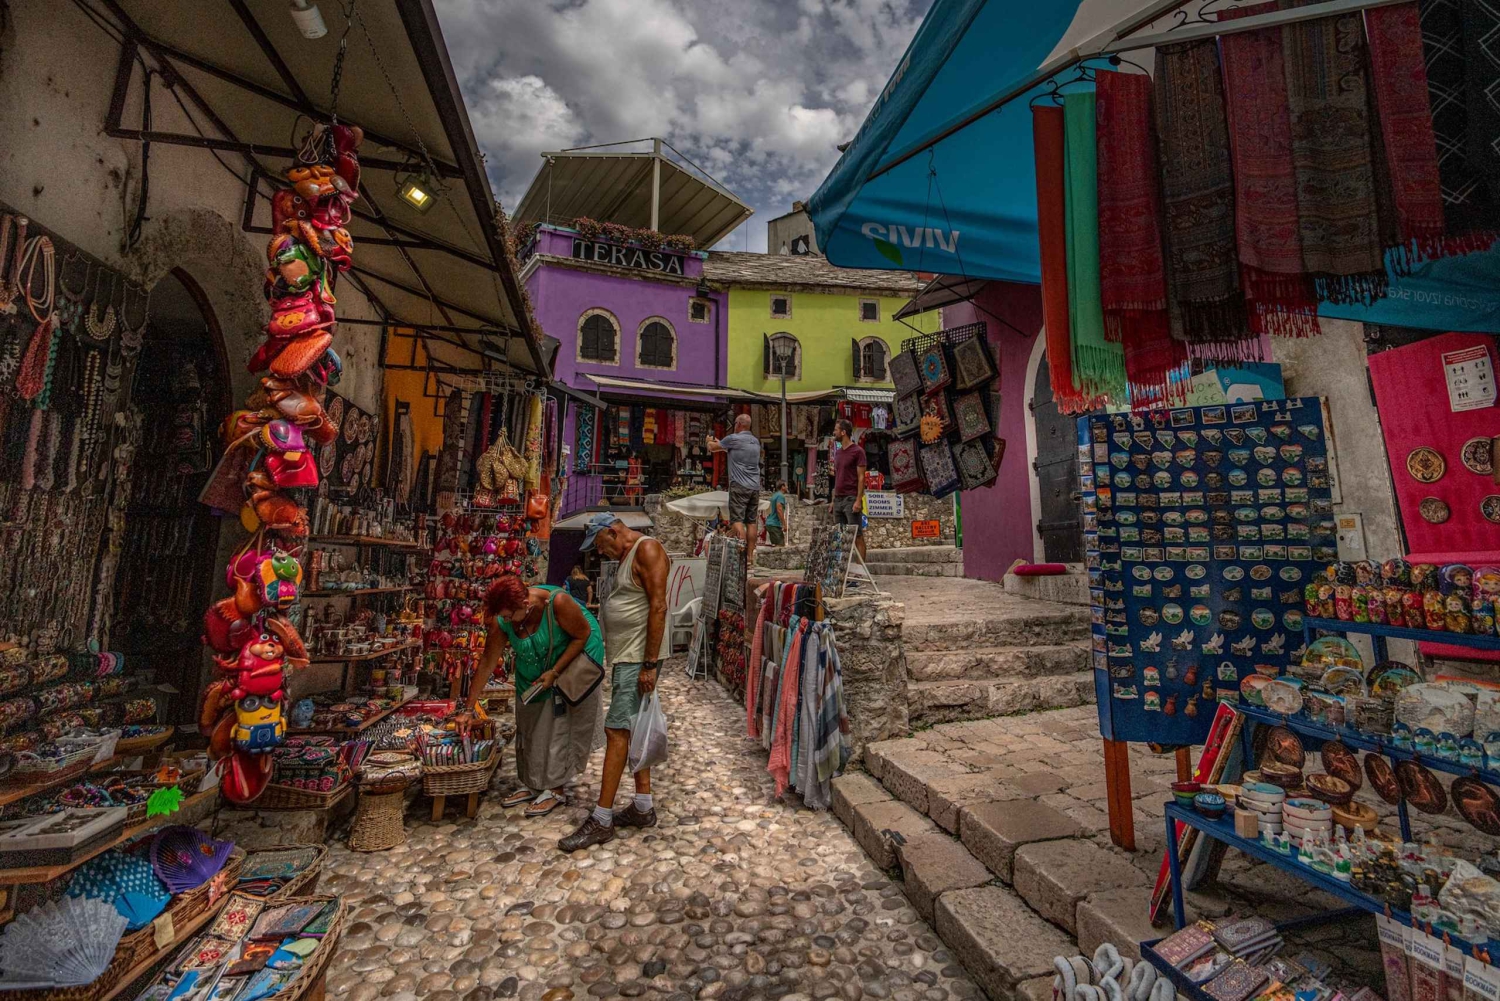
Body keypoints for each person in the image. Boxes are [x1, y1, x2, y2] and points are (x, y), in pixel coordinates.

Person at [559, 513, 670, 851]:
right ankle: (642, 806)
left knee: (617, 730)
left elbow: (658, 606)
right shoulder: (628, 556)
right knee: (633, 727)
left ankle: (602, 818)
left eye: (599, 545)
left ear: (612, 531)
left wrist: (649, 664)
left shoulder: (647, 549)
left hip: (637, 657)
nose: (598, 553)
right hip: (628, 656)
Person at [455, 574, 604, 818]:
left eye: (508, 615)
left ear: (525, 604)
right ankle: (535, 783)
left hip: (569, 663)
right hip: (533, 670)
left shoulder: (557, 603)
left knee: (558, 728)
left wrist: (555, 672)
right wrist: (468, 708)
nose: (505, 621)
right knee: (530, 724)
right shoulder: (504, 621)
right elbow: (487, 663)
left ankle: (555, 788)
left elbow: (582, 635)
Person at [707, 414, 762, 569]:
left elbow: (713, 448)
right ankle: (751, 557)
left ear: (738, 424)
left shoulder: (734, 438)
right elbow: (729, 450)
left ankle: (741, 554)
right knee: (751, 522)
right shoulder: (755, 441)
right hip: (754, 486)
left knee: (737, 520)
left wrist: (708, 441)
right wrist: (722, 445)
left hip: (739, 485)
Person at [830, 418, 867, 560]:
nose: (834, 433)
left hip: (851, 498)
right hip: (839, 499)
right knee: (841, 536)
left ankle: (861, 572)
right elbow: (837, 476)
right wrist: (833, 500)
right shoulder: (838, 453)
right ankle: (844, 571)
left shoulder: (858, 452)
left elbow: (861, 477)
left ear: (843, 432)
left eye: (836, 430)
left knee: (857, 535)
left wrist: (858, 500)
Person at [765, 481, 788, 547]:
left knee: (775, 548)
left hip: (770, 523)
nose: (787, 487)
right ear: (782, 487)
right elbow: (779, 510)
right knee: (780, 547)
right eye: (786, 485)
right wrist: (784, 524)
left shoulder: (775, 495)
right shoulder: (780, 496)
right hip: (774, 524)